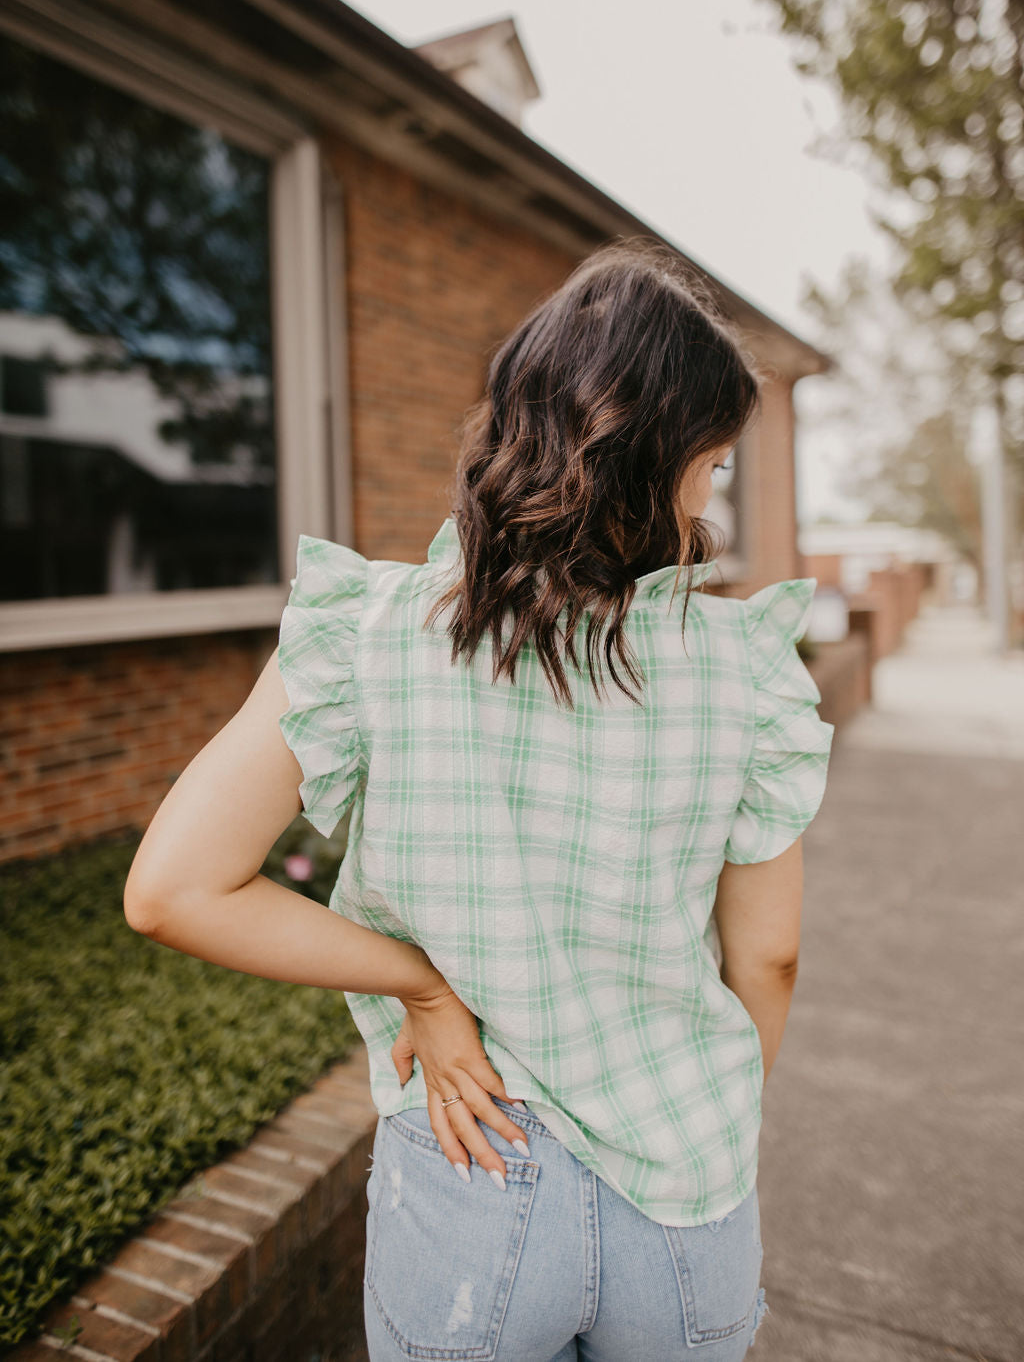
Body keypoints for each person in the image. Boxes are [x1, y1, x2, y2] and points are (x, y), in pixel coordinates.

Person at [123, 236, 835, 1361]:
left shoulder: (365, 634)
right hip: (685, 1190)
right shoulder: (748, 667)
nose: (715, 490)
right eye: (714, 460)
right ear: (658, 456)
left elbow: (171, 890)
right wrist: (708, 1117)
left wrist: (421, 986)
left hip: (470, 1165)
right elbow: (770, 960)